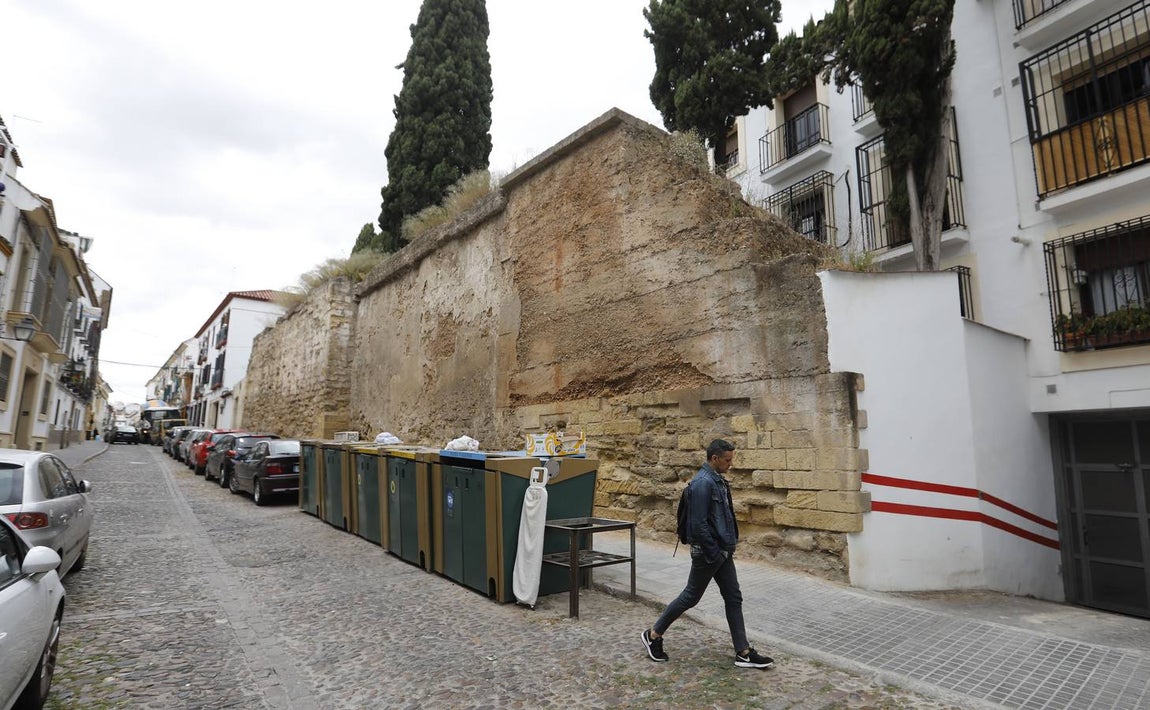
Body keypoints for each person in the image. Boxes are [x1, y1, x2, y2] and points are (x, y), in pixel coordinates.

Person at [641, 438, 774, 669]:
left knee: (733, 597)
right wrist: (714, 552)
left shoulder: (717, 480)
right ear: (714, 459)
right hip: (708, 553)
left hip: (721, 551)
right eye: (727, 460)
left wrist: (725, 548)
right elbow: (698, 524)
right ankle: (653, 635)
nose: (730, 464)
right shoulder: (703, 483)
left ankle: (743, 652)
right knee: (691, 596)